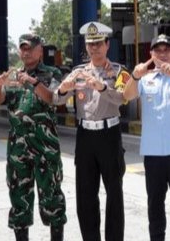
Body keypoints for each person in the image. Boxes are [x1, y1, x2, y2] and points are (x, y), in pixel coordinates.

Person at [0, 33, 67, 241]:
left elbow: (53, 99)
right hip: (18, 148)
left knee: (52, 197)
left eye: (30, 48)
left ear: (40, 51)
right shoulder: (13, 76)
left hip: (45, 147)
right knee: (19, 198)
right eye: (23, 48)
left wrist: (33, 82)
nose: (26, 52)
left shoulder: (52, 73)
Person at [55, 21, 129, 241]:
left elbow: (123, 98)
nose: (94, 48)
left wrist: (103, 87)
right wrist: (63, 89)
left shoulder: (119, 72)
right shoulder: (78, 72)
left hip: (109, 134)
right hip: (85, 136)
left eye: (98, 43)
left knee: (114, 194)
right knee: (85, 195)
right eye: (90, 44)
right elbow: (57, 99)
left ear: (107, 45)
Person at [124, 33, 170, 241]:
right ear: (151, 54)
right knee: (155, 203)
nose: (163, 54)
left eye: (167, 50)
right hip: (153, 152)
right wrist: (135, 76)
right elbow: (127, 96)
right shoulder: (145, 78)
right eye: (158, 50)